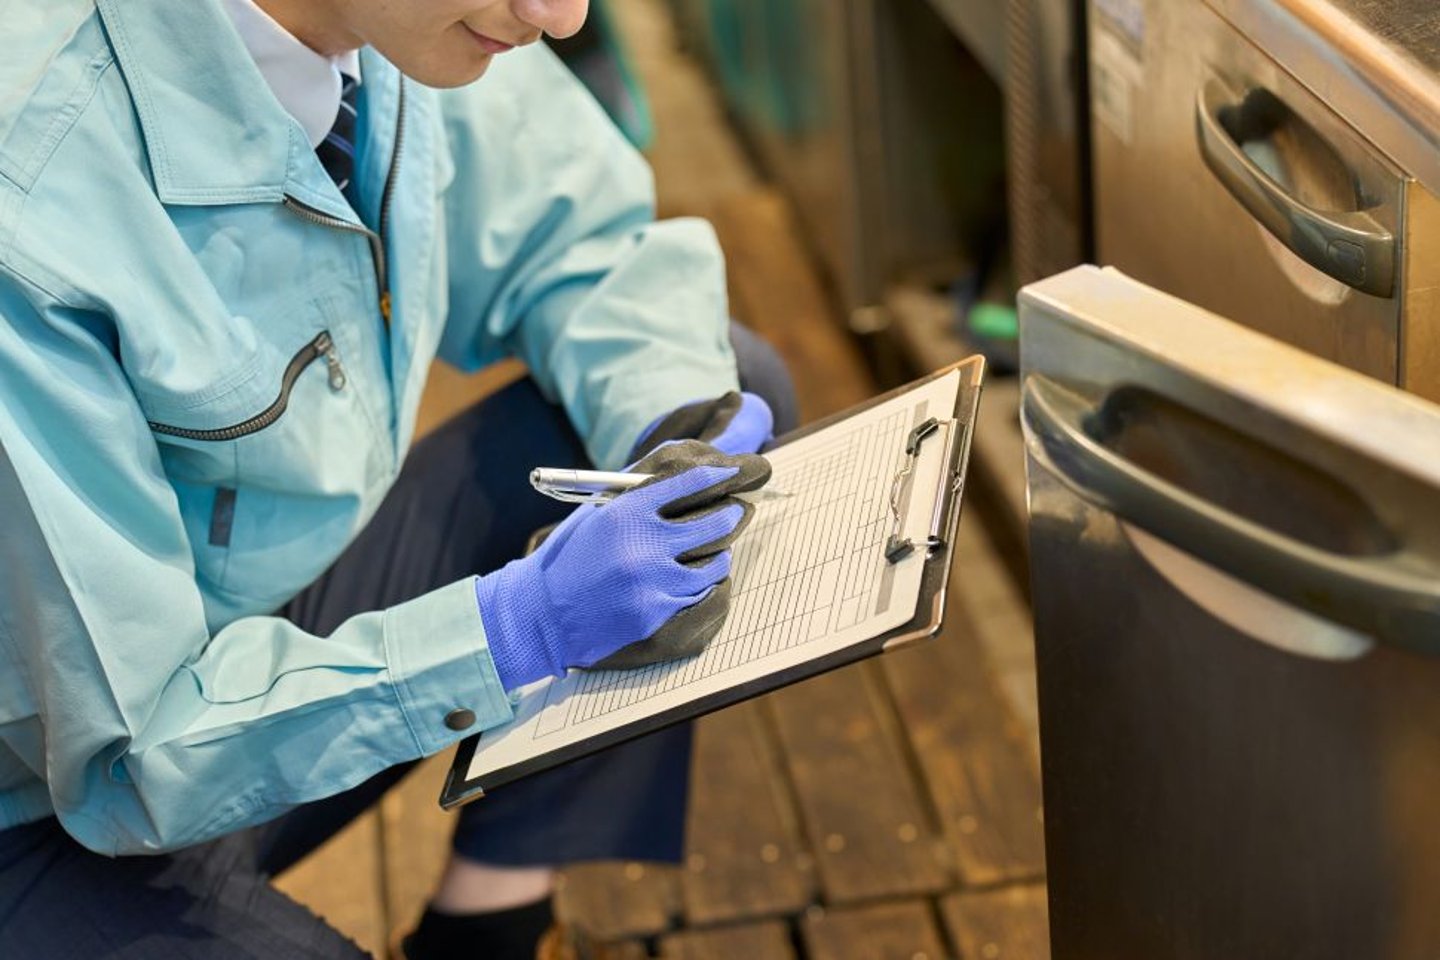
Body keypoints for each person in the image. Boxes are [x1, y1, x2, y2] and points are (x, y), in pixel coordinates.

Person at [0, 0, 799, 957]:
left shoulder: (386, 26)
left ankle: (490, 922)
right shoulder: (33, 208)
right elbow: (130, 751)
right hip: (58, 784)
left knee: (715, 384)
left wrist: (673, 430)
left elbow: (578, 243)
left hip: (251, 622)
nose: (560, 13)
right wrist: (512, 630)